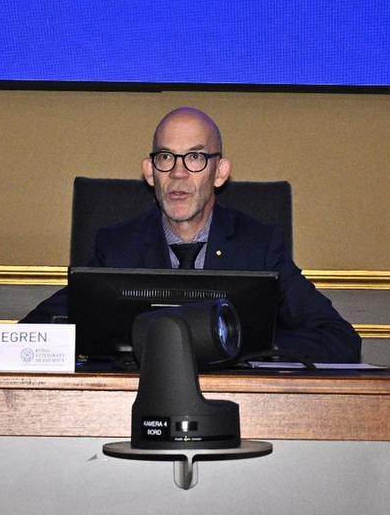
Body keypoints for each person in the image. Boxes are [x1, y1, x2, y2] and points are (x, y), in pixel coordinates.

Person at [23, 107, 362, 363]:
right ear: (150, 172)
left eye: (196, 157)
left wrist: (243, 343)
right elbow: (34, 332)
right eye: (166, 157)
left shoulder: (258, 245)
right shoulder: (118, 246)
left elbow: (340, 340)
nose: (179, 173)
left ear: (219, 172)